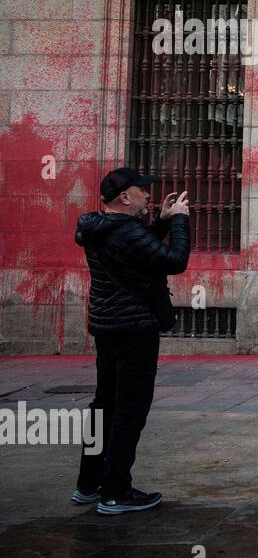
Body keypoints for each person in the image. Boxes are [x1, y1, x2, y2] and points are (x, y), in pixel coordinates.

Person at [72, 168, 190, 514]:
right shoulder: (125, 231)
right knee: (129, 409)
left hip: (107, 327)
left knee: (104, 404)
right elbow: (174, 261)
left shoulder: (100, 227)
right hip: (134, 328)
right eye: (142, 190)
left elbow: (139, 251)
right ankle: (115, 492)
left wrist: (163, 221)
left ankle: (88, 484)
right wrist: (180, 221)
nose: (148, 195)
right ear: (125, 197)